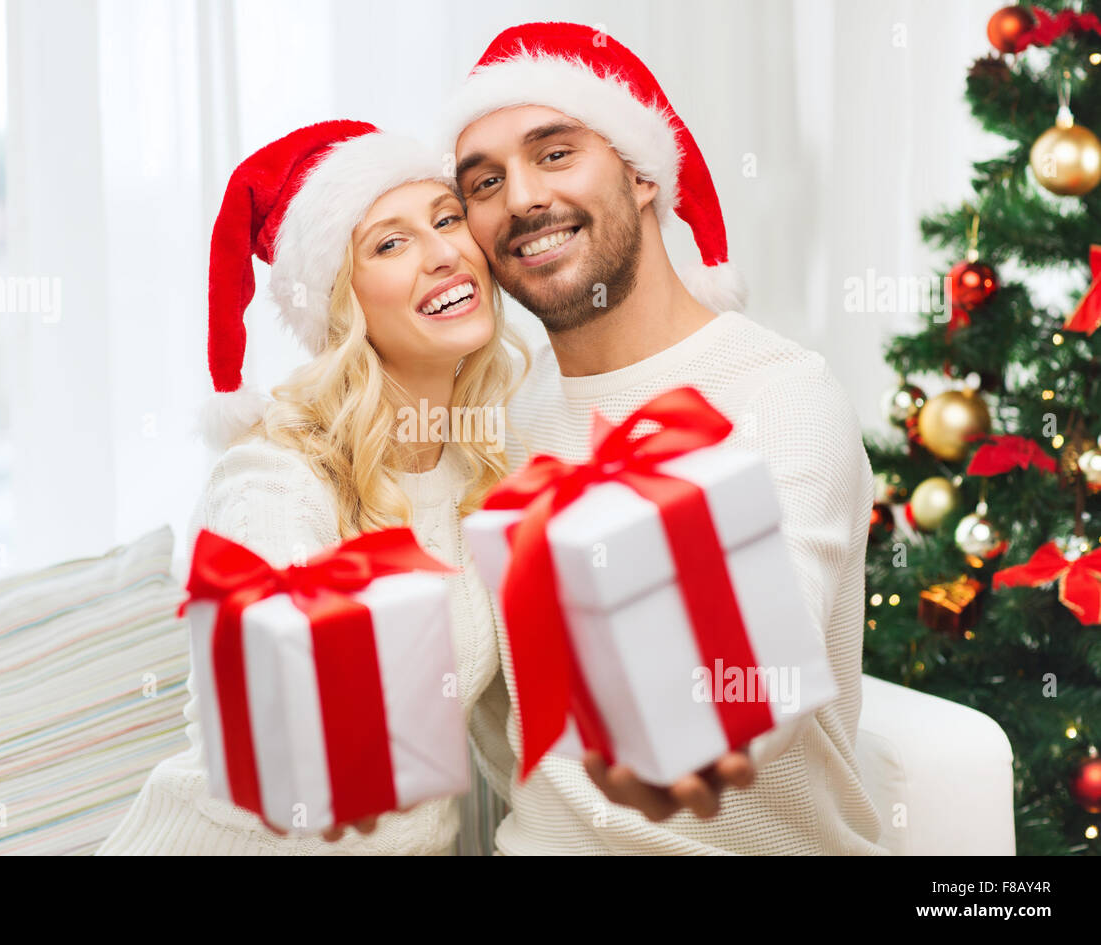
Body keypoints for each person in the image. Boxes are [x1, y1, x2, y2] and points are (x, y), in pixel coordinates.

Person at [447, 22, 888, 855]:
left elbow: (765, 662)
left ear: (643, 174)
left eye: (554, 153)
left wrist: (705, 736)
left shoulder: (778, 393)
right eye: (483, 182)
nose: (520, 200)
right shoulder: (502, 421)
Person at [98, 120, 527, 855]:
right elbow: (270, 712)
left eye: (447, 219)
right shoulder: (273, 474)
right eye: (390, 244)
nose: (443, 254)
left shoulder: (481, 464)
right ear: (340, 302)